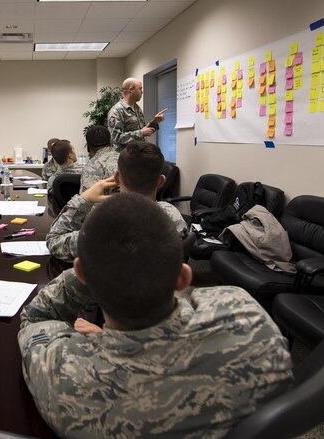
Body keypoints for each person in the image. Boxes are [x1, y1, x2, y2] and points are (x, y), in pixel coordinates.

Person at [20, 193, 293, 438]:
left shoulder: (64, 379)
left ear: (81, 273)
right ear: (184, 278)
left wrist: (93, 275)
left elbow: (35, 320)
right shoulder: (251, 322)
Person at [46, 141, 186, 261]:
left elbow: (54, 241)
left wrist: (84, 198)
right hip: (159, 290)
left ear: (117, 177)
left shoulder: (102, 230)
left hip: (105, 292)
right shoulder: (173, 217)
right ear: (161, 181)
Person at [107, 78, 164, 151]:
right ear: (131, 89)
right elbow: (115, 138)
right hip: (125, 157)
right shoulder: (116, 111)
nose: (142, 92)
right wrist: (140, 133)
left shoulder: (137, 108)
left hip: (138, 154)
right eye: (140, 89)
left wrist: (155, 122)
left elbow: (143, 130)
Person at [79, 125, 119, 193]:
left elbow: (89, 199)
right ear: (111, 142)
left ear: (88, 147)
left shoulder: (90, 167)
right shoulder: (128, 158)